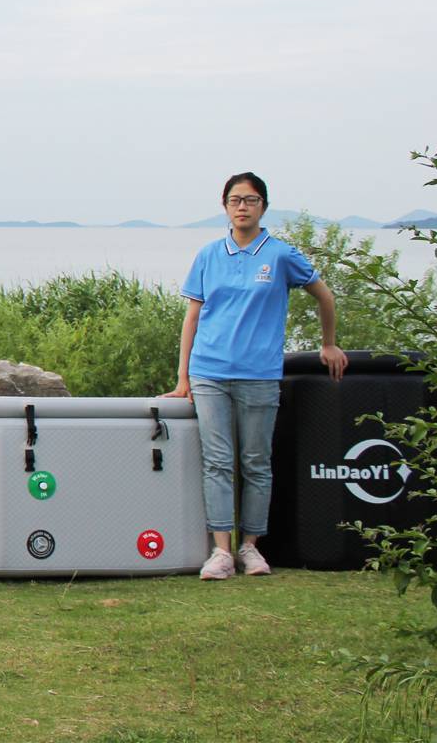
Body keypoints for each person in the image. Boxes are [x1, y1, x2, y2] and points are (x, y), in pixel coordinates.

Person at [163, 172, 347, 581]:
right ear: (225, 207)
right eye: (234, 200)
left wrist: (329, 344)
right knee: (217, 462)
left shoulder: (280, 255)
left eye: (249, 200)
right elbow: (192, 317)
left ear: (263, 205)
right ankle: (221, 552)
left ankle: (251, 548)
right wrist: (183, 377)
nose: (241, 207)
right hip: (209, 372)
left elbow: (324, 296)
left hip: (260, 375)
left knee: (256, 463)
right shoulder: (210, 255)